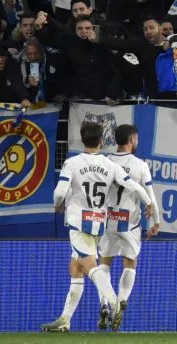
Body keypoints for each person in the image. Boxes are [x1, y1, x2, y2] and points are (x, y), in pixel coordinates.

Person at [42, 122, 153, 333]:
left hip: (78, 222)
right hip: (98, 221)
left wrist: (58, 204)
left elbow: (59, 191)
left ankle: (113, 302)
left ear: (83, 140)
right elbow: (134, 186)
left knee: (91, 266)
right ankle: (65, 319)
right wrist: (148, 202)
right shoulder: (110, 165)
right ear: (102, 141)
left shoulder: (72, 163)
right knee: (76, 268)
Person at [96, 124, 161, 329]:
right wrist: (156, 221)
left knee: (104, 263)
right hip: (129, 222)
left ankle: (105, 303)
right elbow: (149, 196)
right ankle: (121, 301)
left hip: (107, 220)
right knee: (130, 264)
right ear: (132, 139)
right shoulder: (140, 165)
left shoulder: (105, 162)